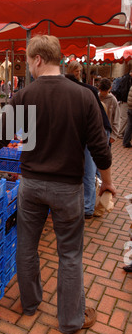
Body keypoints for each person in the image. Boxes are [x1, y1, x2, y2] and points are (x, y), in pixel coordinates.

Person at [0, 35, 115, 334]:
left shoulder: (24, 96)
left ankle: (30, 304)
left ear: (38, 59)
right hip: (68, 188)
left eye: (28, 60)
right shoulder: (84, 96)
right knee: (70, 254)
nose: (28, 66)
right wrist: (107, 184)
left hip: (32, 185)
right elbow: (101, 150)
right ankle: (70, 320)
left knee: (27, 247)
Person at [65, 60, 112, 219]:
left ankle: (88, 208)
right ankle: (92, 202)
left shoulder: (83, 91)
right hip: (93, 129)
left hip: (97, 130)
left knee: (90, 169)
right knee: (90, 169)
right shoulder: (83, 89)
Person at [98, 78, 120, 143]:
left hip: (107, 130)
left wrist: (114, 135)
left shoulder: (113, 100)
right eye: (102, 91)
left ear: (110, 88)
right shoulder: (96, 97)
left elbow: (116, 118)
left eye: (105, 91)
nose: (103, 93)